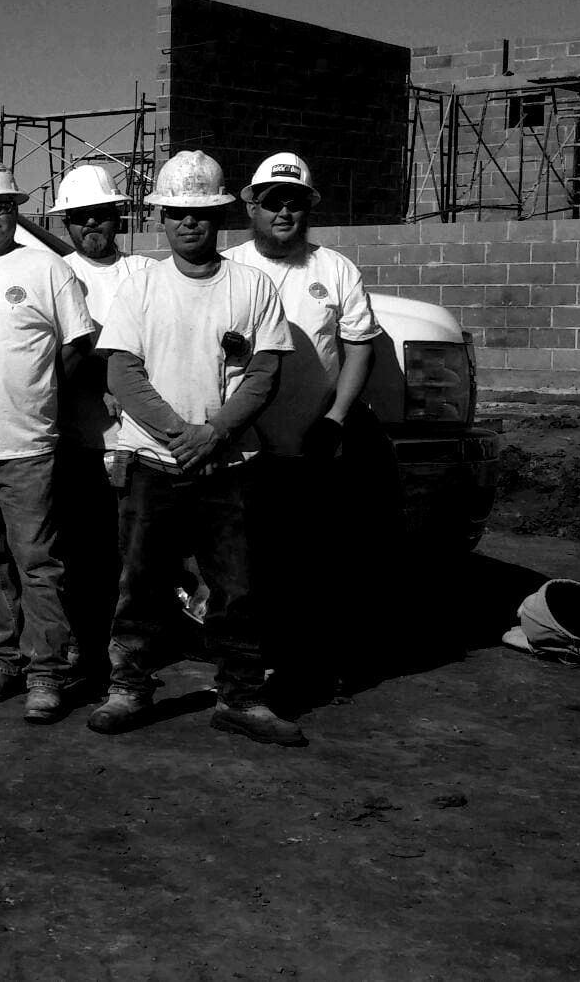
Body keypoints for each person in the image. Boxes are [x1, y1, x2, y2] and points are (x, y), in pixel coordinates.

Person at [91, 150, 304, 746]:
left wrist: (214, 433)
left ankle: (241, 696)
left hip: (228, 463)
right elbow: (122, 374)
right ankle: (129, 688)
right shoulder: (140, 288)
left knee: (237, 589)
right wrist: (179, 435)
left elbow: (264, 373)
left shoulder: (252, 285)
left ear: (220, 216)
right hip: (153, 463)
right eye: (177, 212)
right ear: (162, 216)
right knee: (140, 583)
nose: (189, 223)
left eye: (201, 212)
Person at [0, 161, 97, 723]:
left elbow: (80, 340)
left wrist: (43, 389)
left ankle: (48, 671)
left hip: (27, 445)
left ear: (15, 212)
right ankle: (4, 659)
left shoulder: (46, 267)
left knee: (37, 561)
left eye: (2, 207)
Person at [225, 152, 382, 705]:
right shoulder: (230, 267)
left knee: (314, 563)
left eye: (294, 201)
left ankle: (312, 663)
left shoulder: (334, 269)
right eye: (272, 202)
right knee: (249, 565)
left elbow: (360, 348)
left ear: (309, 207)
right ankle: (254, 665)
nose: (284, 211)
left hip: (312, 447)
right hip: (244, 449)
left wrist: (336, 419)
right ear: (253, 206)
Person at [47, 162, 154, 696]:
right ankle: (84, 655)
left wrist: (126, 384)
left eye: (101, 216)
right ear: (67, 224)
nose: (91, 226)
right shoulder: (55, 273)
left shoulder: (143, 272)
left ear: (118, 218)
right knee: (81, 557)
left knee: (132, 557)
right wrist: (106, 379)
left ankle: (128, 659)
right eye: (80, 219)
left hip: (137, 442)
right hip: (78, 439)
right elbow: (66, 349)